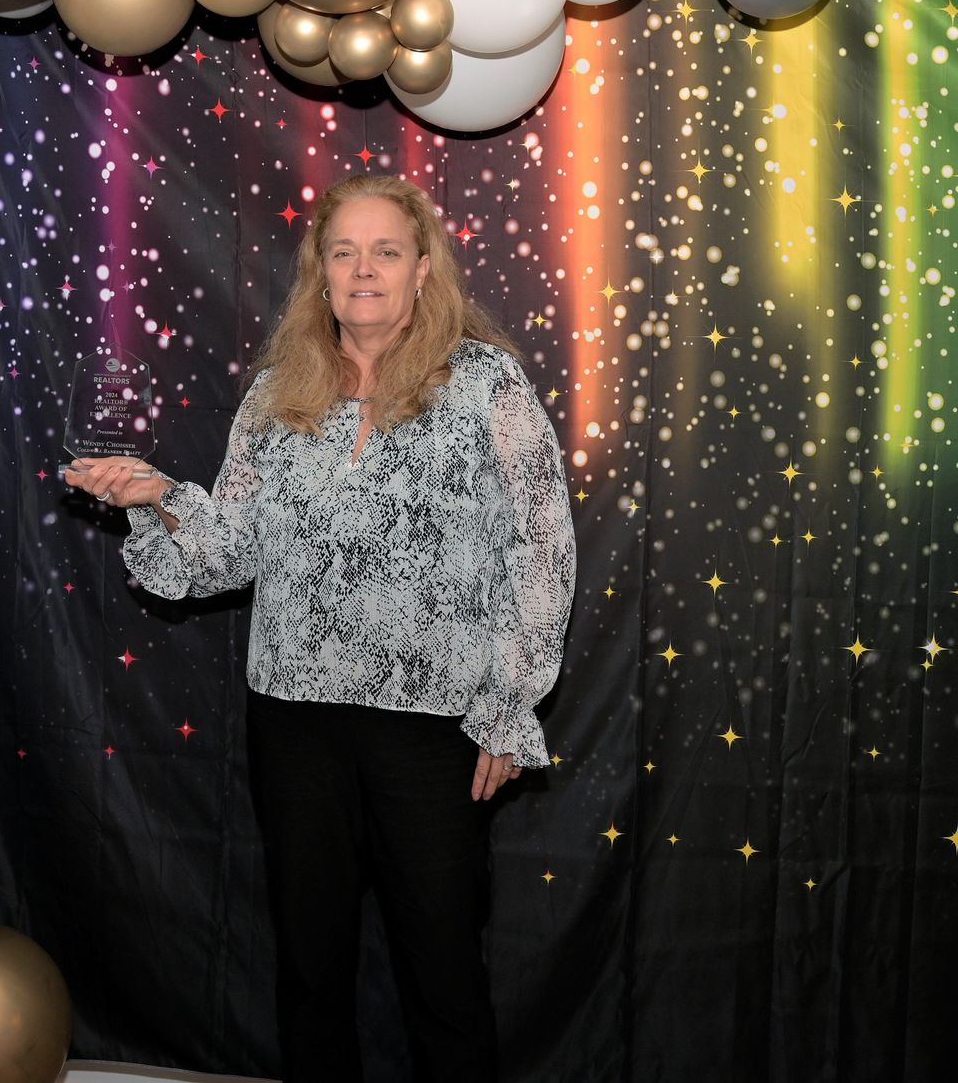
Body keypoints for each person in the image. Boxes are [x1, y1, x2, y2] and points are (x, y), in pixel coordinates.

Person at [65, 173, 576, 1083]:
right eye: (344, 252)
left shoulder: (485, 382)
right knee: (309, 972)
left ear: (423, 269)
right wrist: (159, 497)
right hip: (295, 721)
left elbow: (543, 544)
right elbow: (227, 555)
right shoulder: (278, 392)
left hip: (435, 729)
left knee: (445, 976)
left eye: (385, 251)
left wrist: (510, 702)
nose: (364, 269)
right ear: (322, 274)